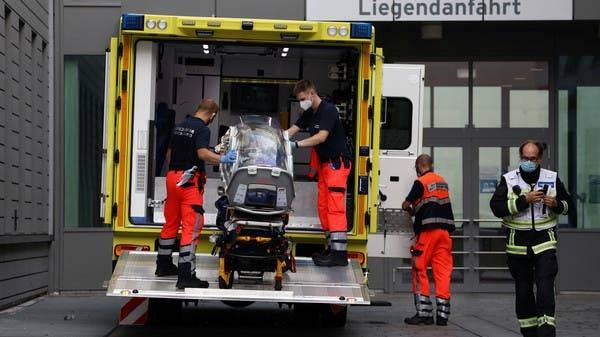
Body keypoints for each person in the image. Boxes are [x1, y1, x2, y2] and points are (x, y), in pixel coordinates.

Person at [490, 140, 571, 337]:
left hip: (544, 243)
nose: (528, 162)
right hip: (518, 246)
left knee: (545, 287)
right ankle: (529, 332)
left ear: (539, 158)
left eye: (532, 159)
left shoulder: (552, 178)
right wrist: (523, 201)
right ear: (520, 157)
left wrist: (557, 204)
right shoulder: (509, 180)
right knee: (524, 293)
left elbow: (569, 205)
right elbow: (497, 208)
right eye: (525, 158)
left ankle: (546, 331)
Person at [154, 99, 237, 289]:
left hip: (172, 177)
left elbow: (169, 154)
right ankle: (186, 274)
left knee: (171, 222)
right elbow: (202, 154)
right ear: (212, 115)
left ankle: (163, 265)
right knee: (191, 227)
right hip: (189, 182)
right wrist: (223, 159)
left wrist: (179, 167)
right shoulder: (202, 129)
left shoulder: (179, 126)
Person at [285, 79, 351, 267]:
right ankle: (332, 248)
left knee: (334, 207)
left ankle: (339, 255)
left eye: (303, 98)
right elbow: (292, 131)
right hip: (325, 166)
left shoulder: (328, 110)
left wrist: (296, 145)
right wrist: (278, 139)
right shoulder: (309, 113)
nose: (301, 102)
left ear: (312, 93)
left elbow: (321, 137)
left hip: (336, 164)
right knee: (323, 207)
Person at [401, 154, 455, 326]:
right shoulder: (443, 182)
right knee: (443, 273)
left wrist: (409, 210)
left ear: (419, 166)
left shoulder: (420, 182)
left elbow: (405, 204)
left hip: (428, 233)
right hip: (445, 235)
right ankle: (443, 316)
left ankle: (424, 314)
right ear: (431, 165)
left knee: (419, 270)